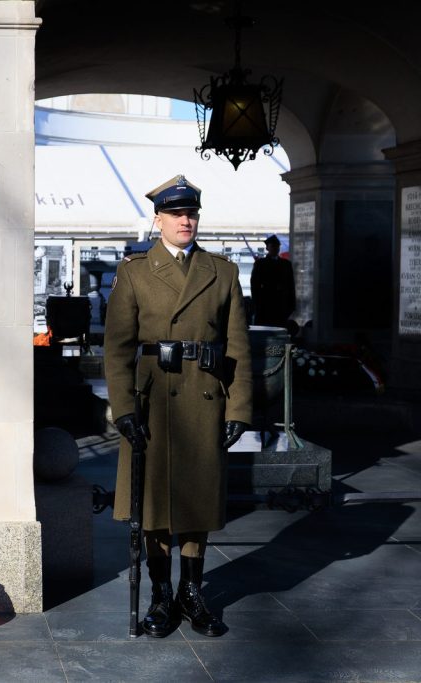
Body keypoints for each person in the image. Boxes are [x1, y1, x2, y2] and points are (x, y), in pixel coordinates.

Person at [104, 174, 252, 638]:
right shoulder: (134, 272)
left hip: (204, 399)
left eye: (191, 213)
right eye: (175, 214)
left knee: (197, 502)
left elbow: (238, 348)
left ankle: (192, 592)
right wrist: (123, 408)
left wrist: (239, 410)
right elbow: (117, 349)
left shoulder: (222, 271)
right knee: (151, 505)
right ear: (159, 219)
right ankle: (161, 596)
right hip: (153, 404)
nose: (185, 220)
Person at [250, 234, 296, 328]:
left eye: (277, 246)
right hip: (265, 306)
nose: (275, 248)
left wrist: (291, 305)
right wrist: (257, 304)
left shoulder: (286, 264)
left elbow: (291, 285)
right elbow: (254, 285)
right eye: (273, 246)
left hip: (281, 306)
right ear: (267, 248)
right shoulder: (260, 264)